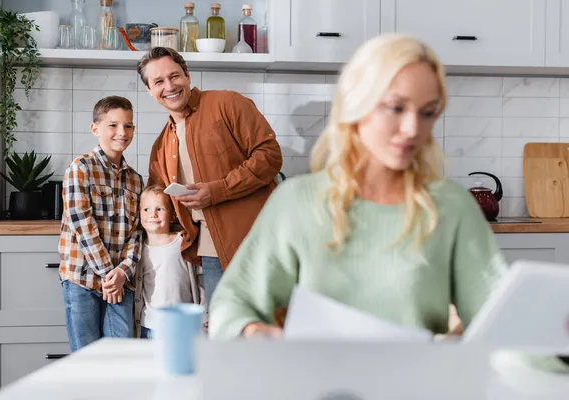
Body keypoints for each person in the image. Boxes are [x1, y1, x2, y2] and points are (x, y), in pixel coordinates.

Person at [208, 33, 508, 340]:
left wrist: (465, 341)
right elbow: (230, 305)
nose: (412, 129)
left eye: (427, 112)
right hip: (318, 383)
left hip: (421, 385)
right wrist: (258, 333)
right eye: (395, 107)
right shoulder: (297, 202)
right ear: (356, 106)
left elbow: (504, 321)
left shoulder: (450, 207)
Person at [136, 47, 283, 306]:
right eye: (158, 81)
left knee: (267, 333)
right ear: (150, 90)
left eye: (175, 76)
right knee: (224, 333)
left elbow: (269, 155)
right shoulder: (161, 145)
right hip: (210, 251)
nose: (169, 86)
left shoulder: (228, 103)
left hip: (255, 242)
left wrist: (218, 191)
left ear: (188, 76)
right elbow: (158, 198)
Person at [58, 96, 143, 352]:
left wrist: (122, 273)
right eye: (113, 125)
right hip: (82, 279)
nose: (122, 132)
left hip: (120, 281)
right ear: (95, 129)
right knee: (85, 359)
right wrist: (109, 273)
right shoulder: (80, 168)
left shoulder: (136, 181)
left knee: (120, 355)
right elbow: (81, 223)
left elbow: (137, 233)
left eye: (128, 126)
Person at [134, 184, 205, 339]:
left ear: (172, 215)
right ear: (139, 214)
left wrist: (204, 312)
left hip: (184, 324)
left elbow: (200, 279)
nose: (153, 214)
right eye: (146, 209)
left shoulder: (183, 242)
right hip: (152, 326)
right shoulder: (138, 251)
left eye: (160, 209)